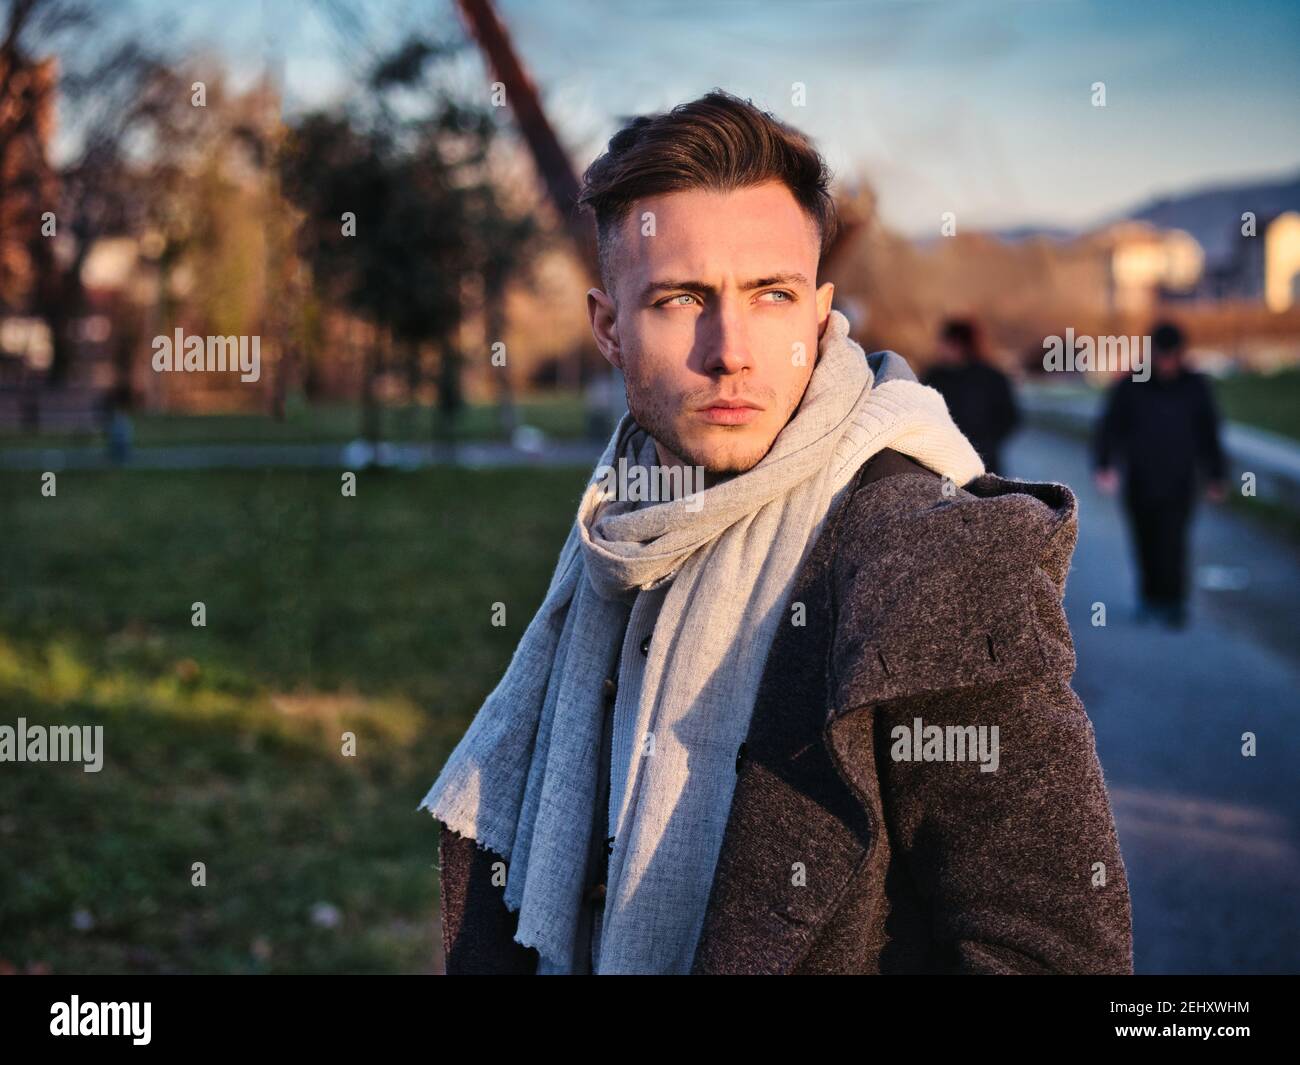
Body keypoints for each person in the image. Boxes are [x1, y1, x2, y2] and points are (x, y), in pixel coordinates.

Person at [421, 90, 1132, 975]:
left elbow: (1054, 954)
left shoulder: (933, 555)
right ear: (608, 328)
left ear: (818, 309)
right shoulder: (618, 528)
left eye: (770, 294)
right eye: (680, 299)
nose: (731, 349)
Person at [1092, 321, 1227, 628]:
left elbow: (1209, 432)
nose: (1166, 363)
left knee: (1174, 540)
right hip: (1140, 479)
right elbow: (1109, 428)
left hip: (1180, 480)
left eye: (1171, 356)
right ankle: (1150, 597)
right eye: (1161, 356)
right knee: (1145, 539)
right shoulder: (1130, 386)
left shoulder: (1195, 387)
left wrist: (1217, 476)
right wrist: (1103, 466)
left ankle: (1174, 601)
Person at [920, 317, 1021, 474]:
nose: (939, 348)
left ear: (959, 344)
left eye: (944, 343)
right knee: (948, 496)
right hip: (944, 461)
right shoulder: (934, 376)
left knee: (986, 498)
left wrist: (987, 443)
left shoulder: (993, 378)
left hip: (985, 463)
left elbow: (1010, 417)